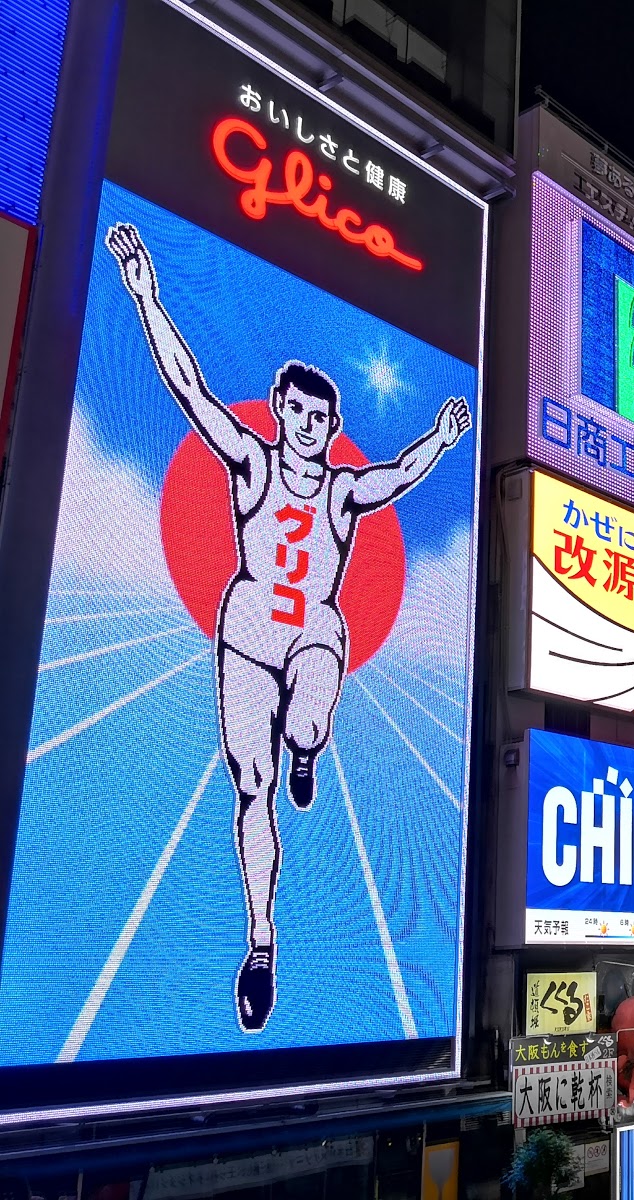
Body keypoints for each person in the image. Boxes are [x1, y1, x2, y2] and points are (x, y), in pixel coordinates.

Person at [106, 223, 471, 1032]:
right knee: (250, 785)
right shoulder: (251, 463)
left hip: (313, 633)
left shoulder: (340, 491)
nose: (307, 424)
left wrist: (442, 440)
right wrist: (146, 296)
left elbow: (398, 476)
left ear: (332, 422)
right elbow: (190, 389)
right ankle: (261, 940)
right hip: (245, 636)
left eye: (320, 414)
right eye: (297, 410)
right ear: (279, 411)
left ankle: (309, 745)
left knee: (307, 717)